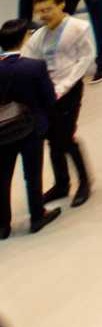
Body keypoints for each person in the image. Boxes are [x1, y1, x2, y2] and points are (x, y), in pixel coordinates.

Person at [24, 0, 94, 206]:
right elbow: (29, 59)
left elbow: (85, 58)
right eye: (40, 11)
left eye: (48, 9)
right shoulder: (39, 36)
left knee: (65, 137)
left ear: (61, 5)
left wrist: (64, 86)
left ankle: (84, 181)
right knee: (52, 139)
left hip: (69, 91)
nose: (44, 15)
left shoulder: (78, 28)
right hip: (47, 93)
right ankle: (62, 184)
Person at [0, 18, 58, 237]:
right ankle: (37, 216)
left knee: (2, 177)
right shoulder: (34, 67)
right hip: (31, 128)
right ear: (24, 38)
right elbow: (49, 99)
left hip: (2, 131)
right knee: (32, 174)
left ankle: (3, 225)